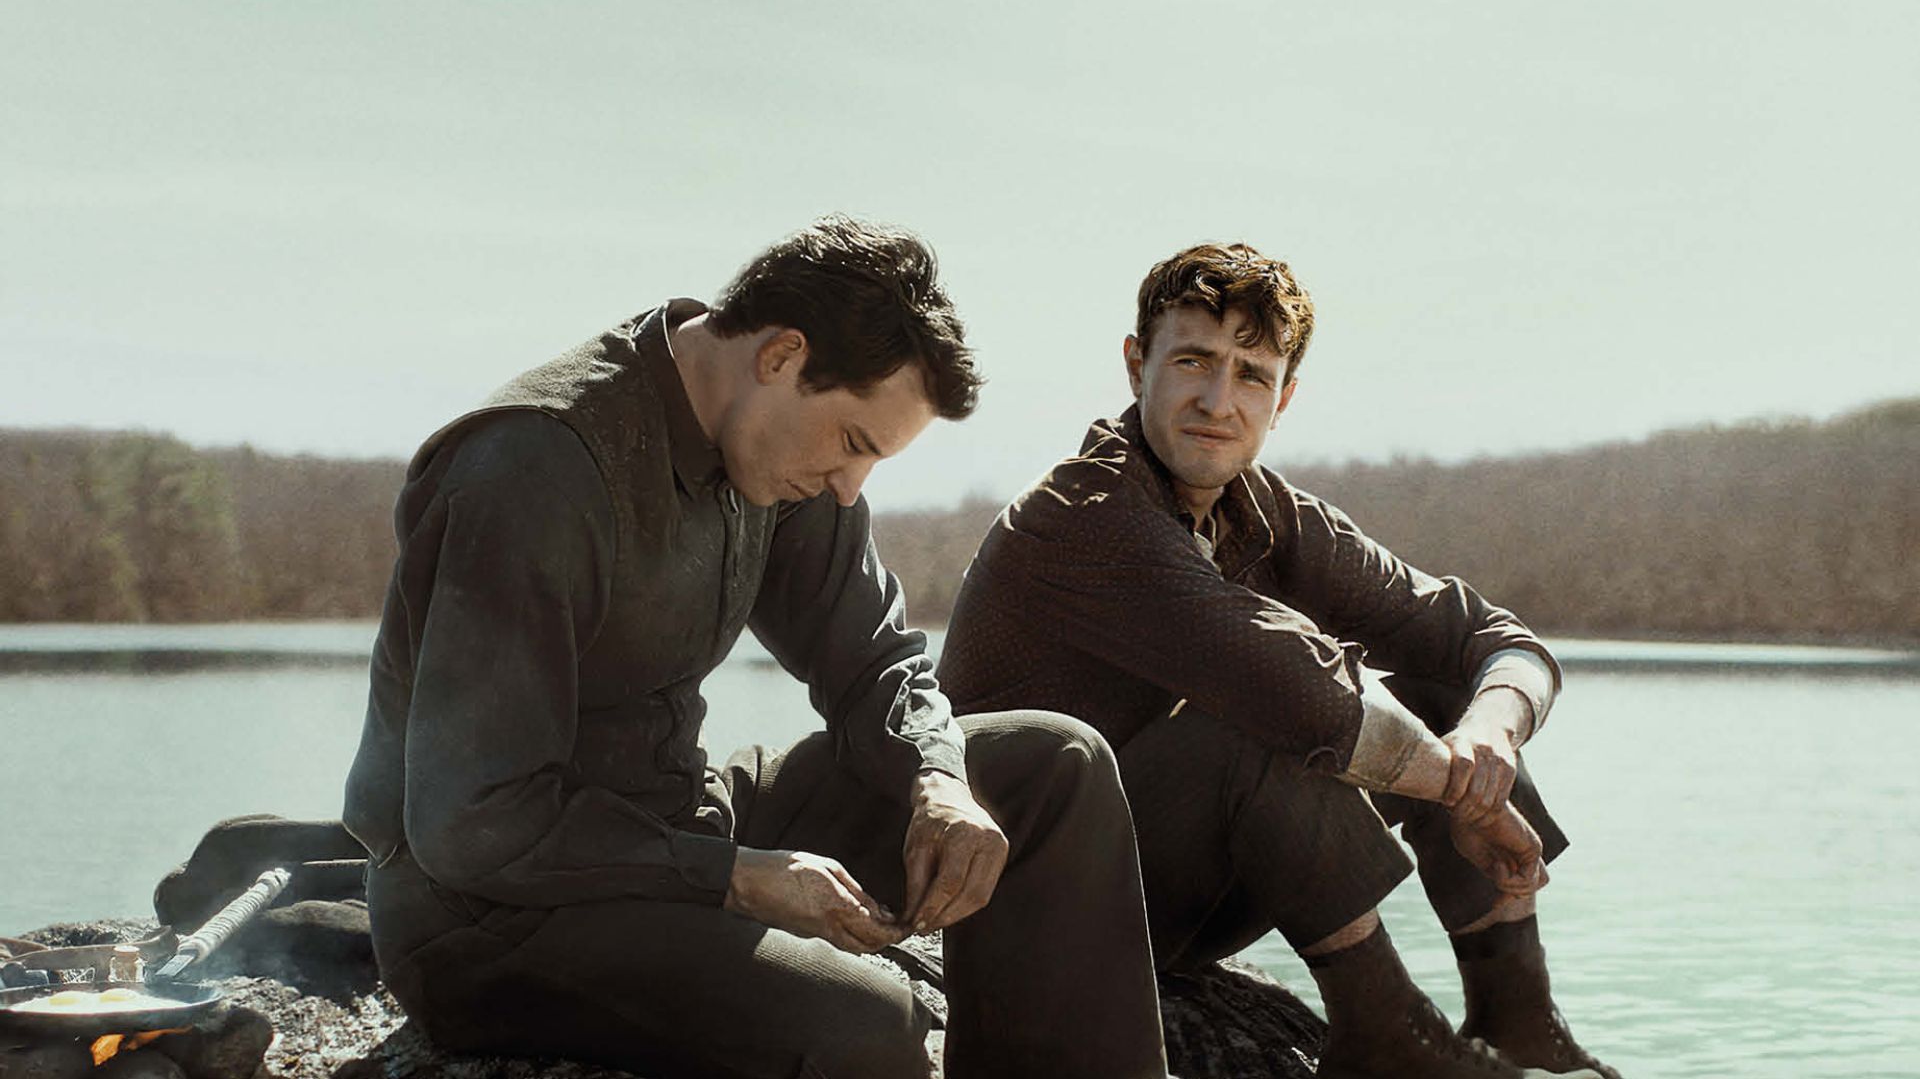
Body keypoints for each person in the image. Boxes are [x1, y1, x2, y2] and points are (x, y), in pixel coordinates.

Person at [342, 217, 1169, 1079]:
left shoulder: (779, 450)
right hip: (485, 915)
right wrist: (736, 876)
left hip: (680, 820)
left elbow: (873, 661)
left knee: (1055, 766)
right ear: (780, 356)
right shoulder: (531, 468)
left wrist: (939, 781)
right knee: (869, 1026)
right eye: (853, 443)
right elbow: (474, 824)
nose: (850, 488)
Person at [938, 243, 1619, 1079]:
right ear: (1136, 365)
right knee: (1253, 727)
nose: (1218, 401)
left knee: (1447, 696)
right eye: (1193, 361)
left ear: (1284, 397)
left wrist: (1490, 743)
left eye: (1252, 375)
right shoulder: (1085, 511)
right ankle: (1389, 1035)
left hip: (1156, 898)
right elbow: (1302, 696)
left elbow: (1495, 638)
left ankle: (1519, 1019)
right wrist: (1467, 794)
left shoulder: (1268, 514)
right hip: (1018, 903)